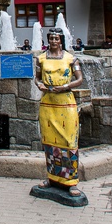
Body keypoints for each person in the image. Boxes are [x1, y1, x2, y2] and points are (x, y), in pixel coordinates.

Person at [34, 27, 84, 196]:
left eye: (56, 39)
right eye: (51, 39)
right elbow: (37, 77)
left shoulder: (70, 58)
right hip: (48, 102)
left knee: (69, 141)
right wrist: (39, 84)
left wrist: (65, 86)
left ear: (61, 40)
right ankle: (52, 177)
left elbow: (79, 79)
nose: (54, 41)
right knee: (49, 141)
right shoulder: (41, 58)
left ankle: (71, 181)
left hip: (65, 102)